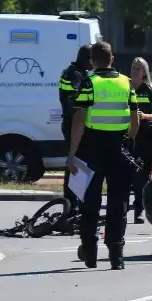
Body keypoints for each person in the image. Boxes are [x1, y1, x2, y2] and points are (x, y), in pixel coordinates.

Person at [66, 41, 139, 270]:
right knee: (119, 202)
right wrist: (128, 140)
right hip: (118, 147)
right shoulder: (126, 83)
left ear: (92, 61)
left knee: (90, 202)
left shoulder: (89, 83)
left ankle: (90, 252)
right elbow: (135, 119)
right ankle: (116, 254)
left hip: (92, 147)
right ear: (112, 59)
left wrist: (72, 153)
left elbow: (79, 120)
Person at [59, 45, 93, 216]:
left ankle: (72, 203)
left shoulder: (71, 71)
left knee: (75, 164)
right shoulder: (76, 75)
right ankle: (72, 205)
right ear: (87, 59)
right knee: (75, 164)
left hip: (70, 122)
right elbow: (77, 103)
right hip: (74, 123)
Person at [128, 57, 152, 223]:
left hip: (144, 138)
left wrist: (145, 116)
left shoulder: (149, 90)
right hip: (127, 137)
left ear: (144, 72)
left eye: (138, 69)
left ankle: (138, 211)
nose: (135, 71)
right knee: (126, 175)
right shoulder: (125, 87)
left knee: (141, 177)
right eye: (133, 68)